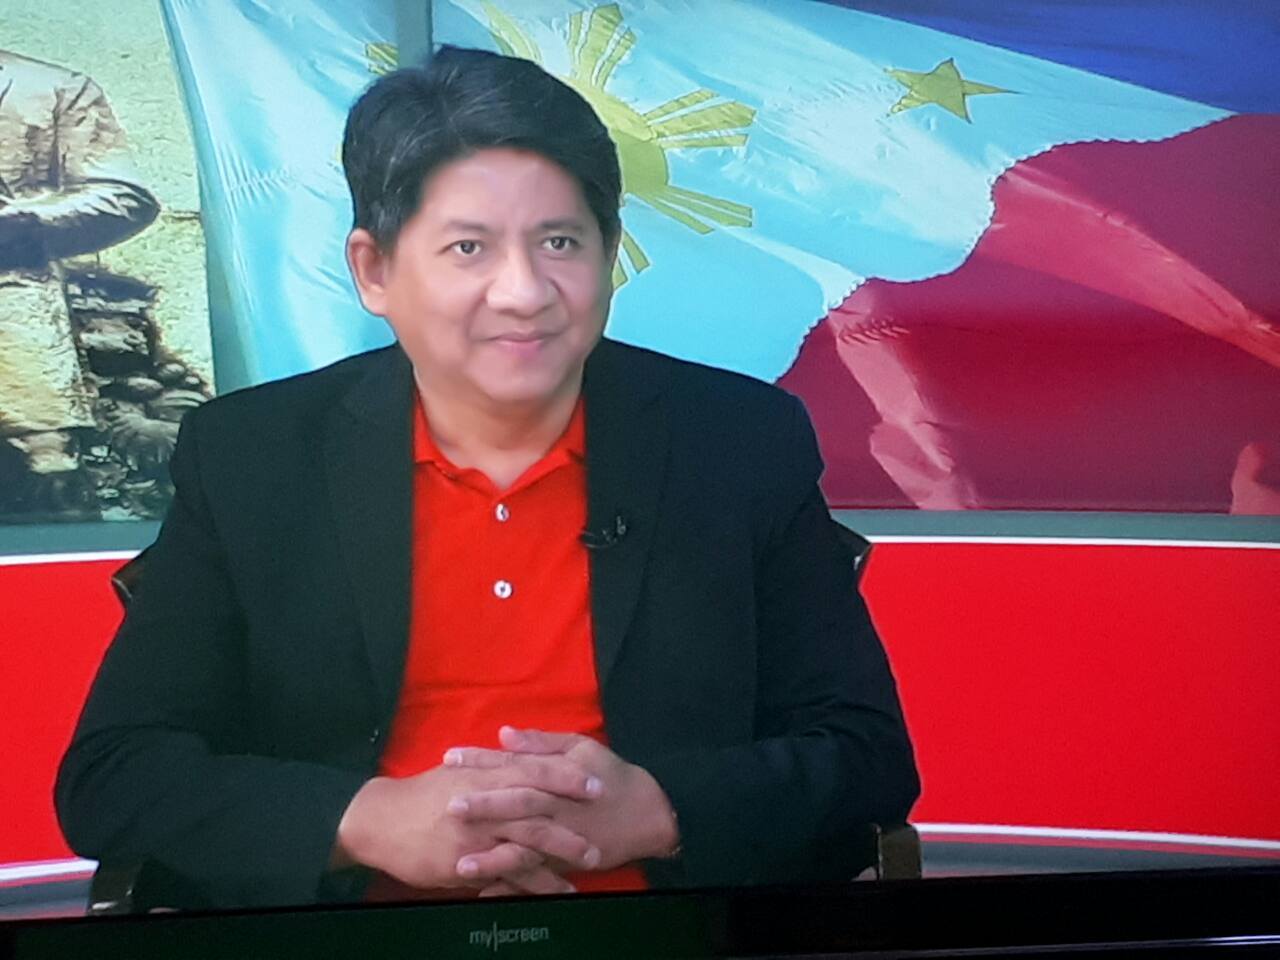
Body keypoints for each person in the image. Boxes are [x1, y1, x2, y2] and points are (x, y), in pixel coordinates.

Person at [56, 46, 918, 910]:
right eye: (469, 247)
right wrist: (362, 820)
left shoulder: (737, 442)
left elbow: (867, 757)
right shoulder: (252, 456)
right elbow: (115, 775)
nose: (524, 292)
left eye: (560, 242)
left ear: (609, 254)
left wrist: (660, 811)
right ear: (375, 271)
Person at [0, 48, 160, 516]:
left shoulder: (53, 88)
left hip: (17, 345)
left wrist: (23, 221)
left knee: (46, 494)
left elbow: (125, 198)